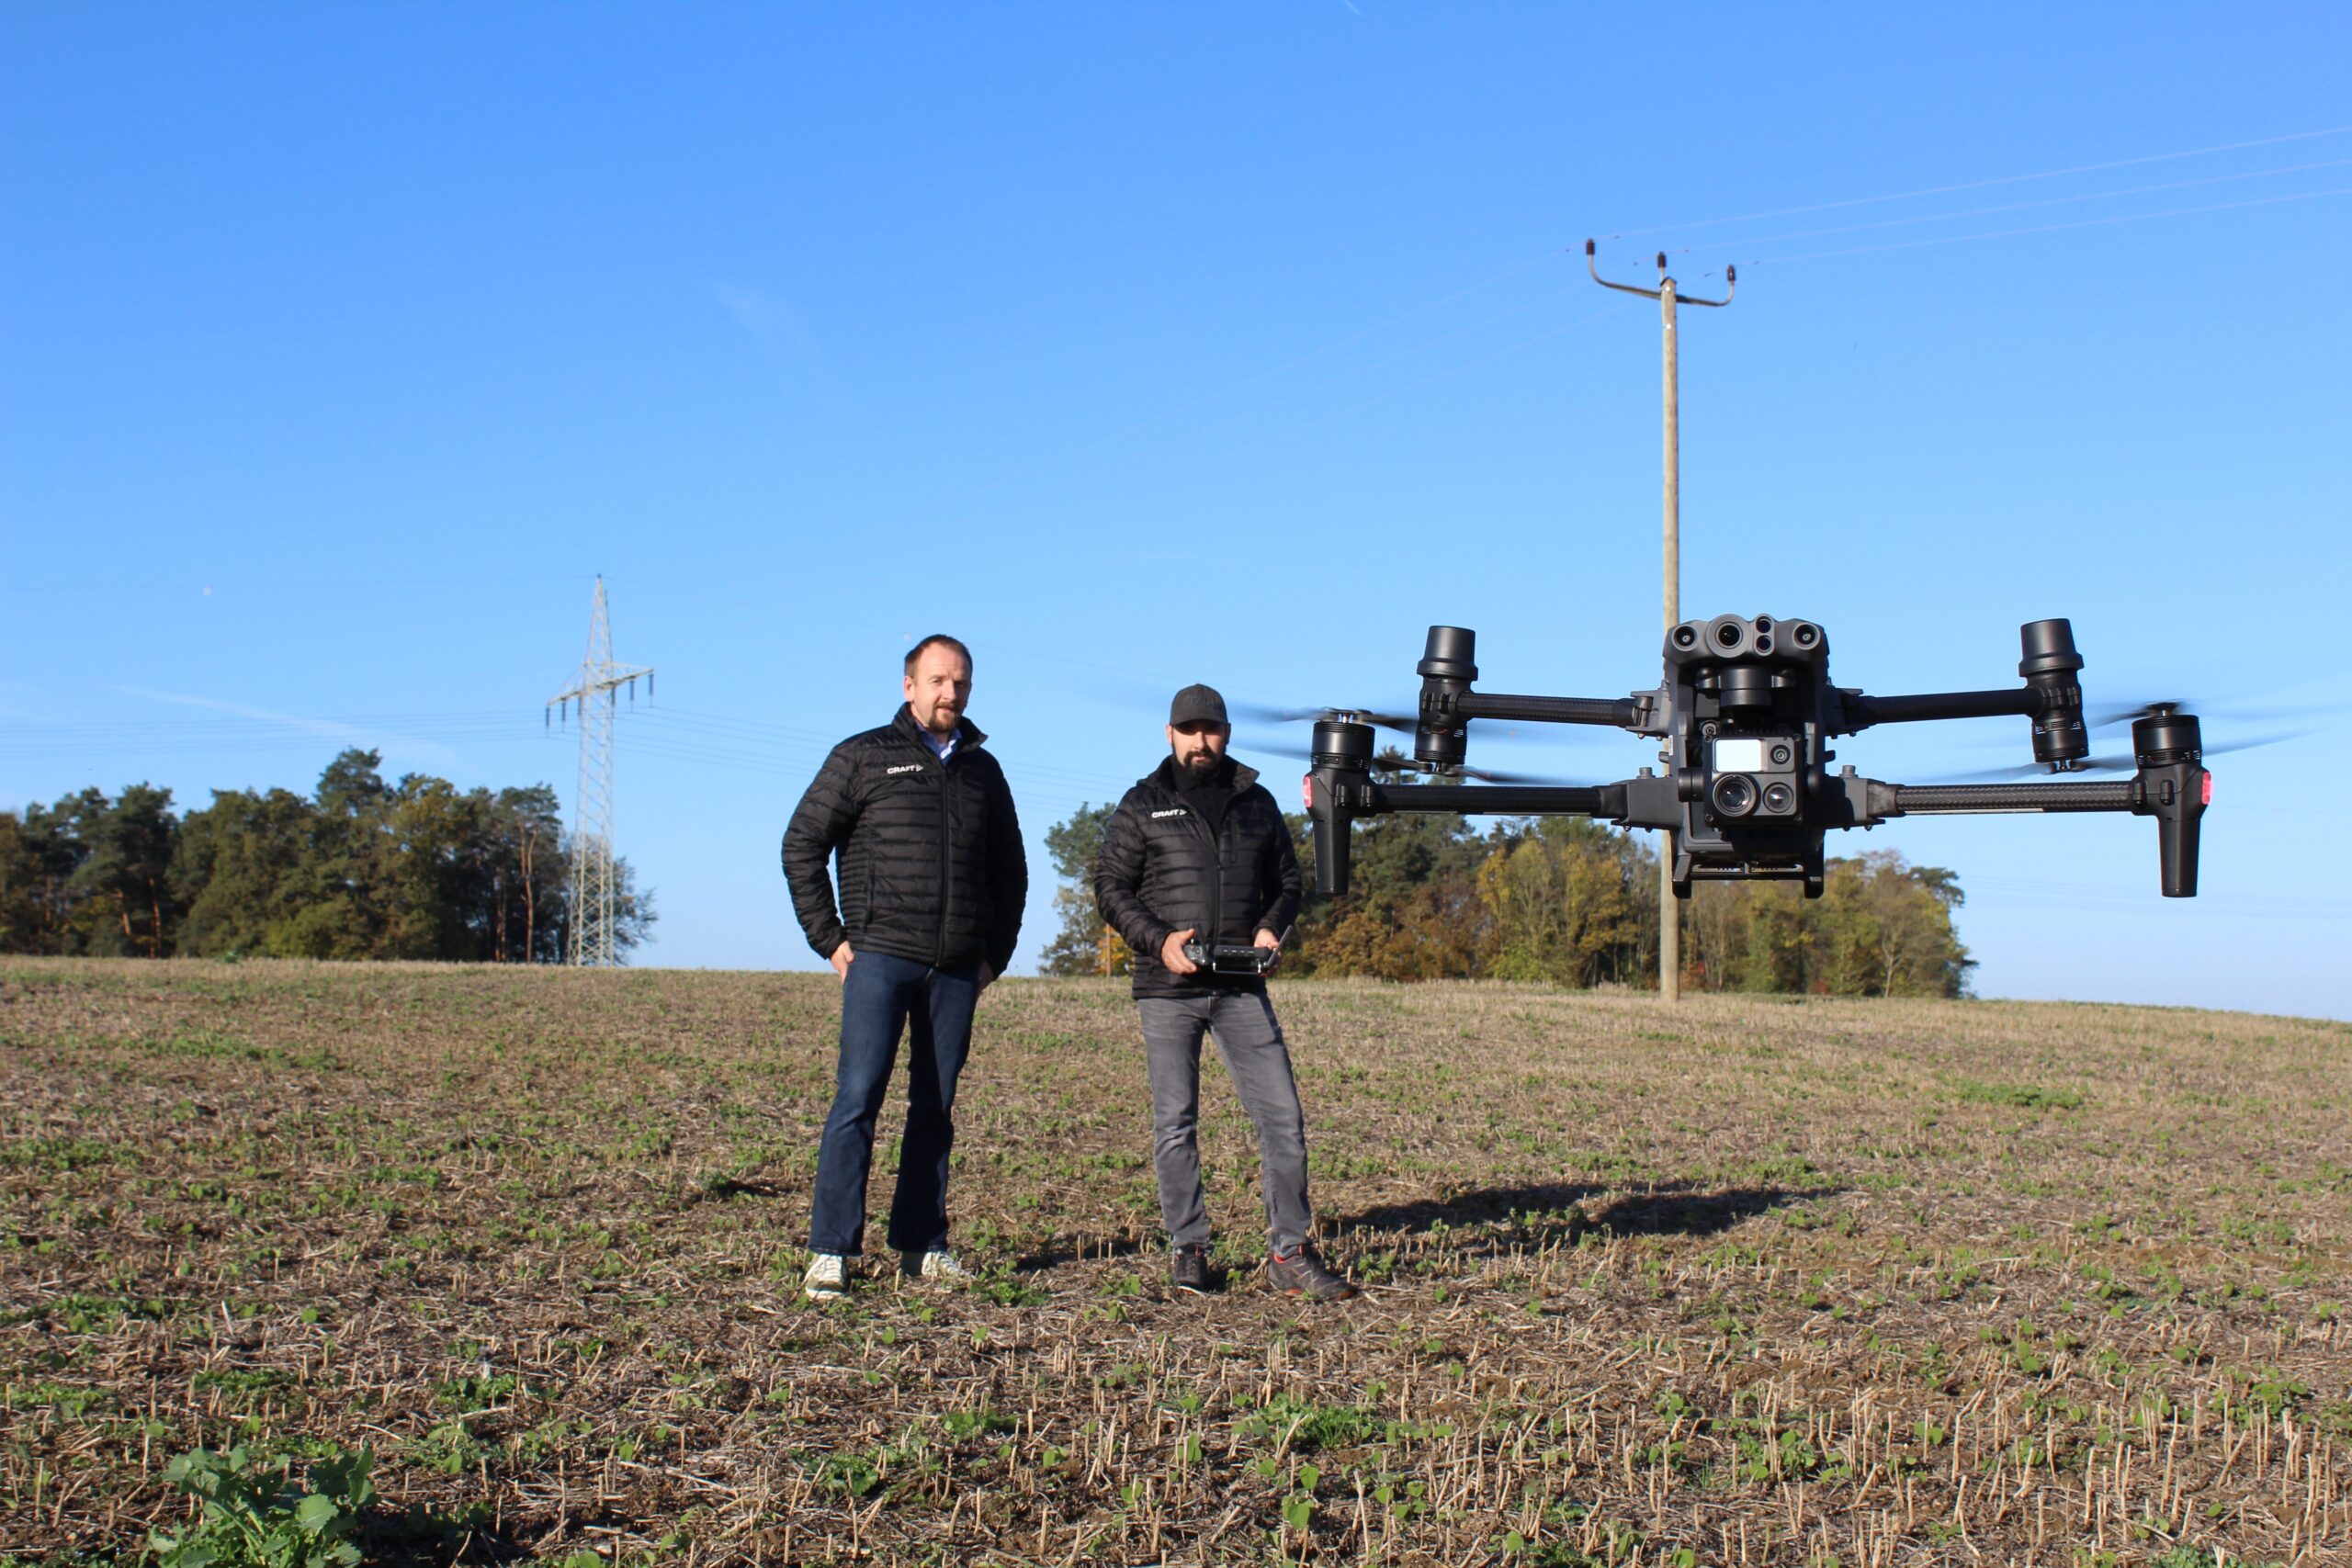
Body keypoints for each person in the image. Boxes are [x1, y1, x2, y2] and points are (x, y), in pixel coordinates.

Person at [782, 635, 1027, 1300]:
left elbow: (1011, 872)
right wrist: (828, 936)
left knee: (935, 1108)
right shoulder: (862, 756)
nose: (952, 693)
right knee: (857, 1100)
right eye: (939, 680)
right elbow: (802, 843)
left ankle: (922, 1245)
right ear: (909, 685)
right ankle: (831, 1249)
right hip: (880, 957)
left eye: (962, 683)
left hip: (954, 970)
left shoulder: (984, 772)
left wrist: (993, 956)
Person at [1092, 683, 1355, 1303]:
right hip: (1167, 988)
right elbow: (1110, 886)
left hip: (1242, 989)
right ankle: (1190, 1247)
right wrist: (1158, 941)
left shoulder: (1257, 802)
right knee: (1175, 1124)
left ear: (1227, 732)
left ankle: (1289, 1251)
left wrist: (1271, 925)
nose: (1200, 740)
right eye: (1189, 730)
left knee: (1283, 1120)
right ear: (1170, 735)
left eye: (1210, 729)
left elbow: (1288, 882)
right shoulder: (1142, 803)